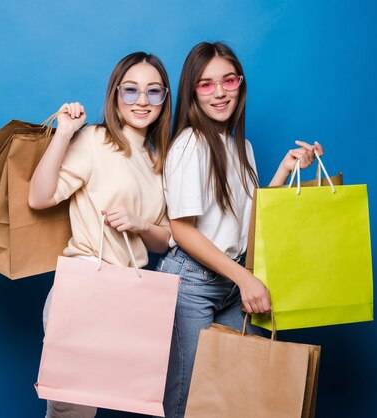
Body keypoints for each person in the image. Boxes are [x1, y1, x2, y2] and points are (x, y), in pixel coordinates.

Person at [157, 42, 324, 418]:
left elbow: (250, 219)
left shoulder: (240, 146)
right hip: (192, 285)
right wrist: (246, 280)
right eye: (206, 84)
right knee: (188, 398)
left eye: (228, 80)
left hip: (230, 284)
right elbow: (182, 231)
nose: (219, 92)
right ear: (192, 92)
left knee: (232, 397)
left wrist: (285, 169)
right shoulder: (189, 145)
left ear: (240, 84)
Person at [28, 52, 172, 418]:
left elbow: (165, 240)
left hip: (128, 295)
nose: (142, 101)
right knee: (71, 410)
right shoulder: (95, 140)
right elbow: (39, 197)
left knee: (110, 406)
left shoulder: (162, 163)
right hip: (83, 288)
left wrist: (141, 224)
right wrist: (63, 134)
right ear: (115, 95)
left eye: (153, 92)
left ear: (165, 98)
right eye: (131, 90)